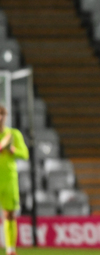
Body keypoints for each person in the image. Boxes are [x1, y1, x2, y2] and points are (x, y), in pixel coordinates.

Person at [0, 105, 29, 255]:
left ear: (6, 117)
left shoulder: (13, 134)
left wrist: (12, 150)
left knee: (9, 214)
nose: (0, 118)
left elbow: (25, 154)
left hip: (9, 179)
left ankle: (10, 249)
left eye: (2, 114)